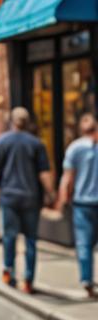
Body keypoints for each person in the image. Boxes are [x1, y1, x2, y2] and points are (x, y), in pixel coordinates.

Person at [0, 107, 54, 294]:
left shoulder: (3, 141)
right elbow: (44, 174)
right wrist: (51, 194)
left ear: (12, 121)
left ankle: (8, 272)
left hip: (9, 196)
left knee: (9, 236)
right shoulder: (36, 144)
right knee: (30, 240)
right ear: (28, 123)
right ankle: (28, 280)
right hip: (31, 197)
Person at [55, 113, 98, 298]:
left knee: (84, 243)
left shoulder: (75, 148)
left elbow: (67, 177)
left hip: (82, 203)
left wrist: (62, 201)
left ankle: (87, 280)